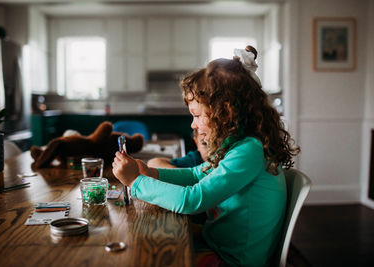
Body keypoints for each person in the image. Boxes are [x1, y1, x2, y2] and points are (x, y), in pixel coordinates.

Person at [112, 45, 300, 267]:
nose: (193, 124)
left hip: (234, 260)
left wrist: (136, 181)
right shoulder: (237, 145)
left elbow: (192, 200)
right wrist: (151, 173)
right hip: (219, 243)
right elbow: (195, 175)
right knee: (154, 238)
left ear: (226, 111)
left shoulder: (249, 151)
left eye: (197, 115)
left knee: (154, 255)